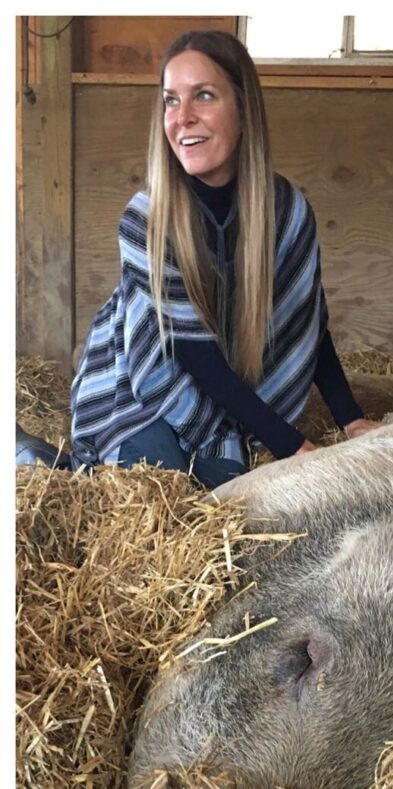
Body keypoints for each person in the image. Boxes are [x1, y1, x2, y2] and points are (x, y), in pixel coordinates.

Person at [64, 30, 375, 488]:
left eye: (203, 96)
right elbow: (195, 355)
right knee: (162, 486)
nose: (182, 117)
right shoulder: (146, 219)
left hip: (218, 398)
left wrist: (351, 419)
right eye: (171, 101)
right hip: (137, 386)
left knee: (224, 484)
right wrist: (292, 446)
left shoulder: (286, 212)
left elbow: (304, 319)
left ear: (244, 109)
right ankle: (30, 458)